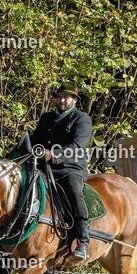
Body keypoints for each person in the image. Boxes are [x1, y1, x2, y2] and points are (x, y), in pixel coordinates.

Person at [32, 84, 93, 260]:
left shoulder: (82, 119)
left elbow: (77, 146)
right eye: (59, 96)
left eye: (66, 97)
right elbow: (35, 139)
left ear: (74, 100)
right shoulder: (46, 118)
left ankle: (83, 241)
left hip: (70, 168)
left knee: (74, 191)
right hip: (43, 167)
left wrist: (53, 154)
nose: (62, 100)